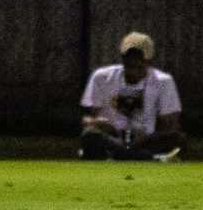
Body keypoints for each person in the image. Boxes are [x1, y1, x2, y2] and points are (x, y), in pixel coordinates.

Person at [78, 32, 185, 161]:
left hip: (145, 139)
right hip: (113, 138)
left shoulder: (164, 81)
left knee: (177, 138)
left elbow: (171, 123)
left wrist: (144, 136)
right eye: (129, 57)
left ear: (148, 60)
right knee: (90, 135)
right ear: (122, 57)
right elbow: (88, 119)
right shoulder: (101, 77)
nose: (133, 61)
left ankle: (120, 156)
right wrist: (101, 123)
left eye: (139, 57)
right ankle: (154, 158)